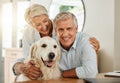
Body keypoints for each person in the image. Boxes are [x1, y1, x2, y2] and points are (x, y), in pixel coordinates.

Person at [13, 4, 99, 80]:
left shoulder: (60, 29)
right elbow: (27, 58)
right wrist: (21, 68)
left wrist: (89, 47)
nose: (44, 27)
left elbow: (89, 70)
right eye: (38, 25)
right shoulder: (29, 34)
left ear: (48, 16)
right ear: (31, 25)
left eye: (45, 21)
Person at [53, 12, 98, 78]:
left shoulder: (86, 41)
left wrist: (62, 74)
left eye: (69, 29)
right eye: (61, 30)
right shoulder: (51, 44)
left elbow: (91, 72)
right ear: (55, 31)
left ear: (76, 29)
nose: (65, 34)